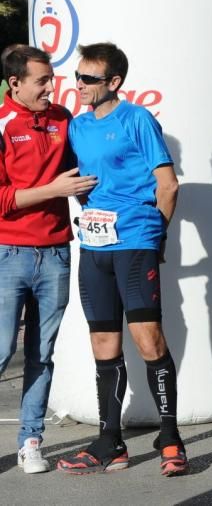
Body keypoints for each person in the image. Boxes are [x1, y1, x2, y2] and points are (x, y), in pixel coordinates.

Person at [56, 43, 186, 476]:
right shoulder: (77, 127)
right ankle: (110, 442)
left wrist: (154, 237)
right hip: (94, 248)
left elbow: (168, 186)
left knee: (148, 340)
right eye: (77, 77)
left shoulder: (137, 120)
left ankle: (170, 437)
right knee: (103, 345)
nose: (79, 85)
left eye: (89, 79)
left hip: (134, 243)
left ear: (114, 83)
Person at [0, 46, 96, 474]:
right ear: (14, 83)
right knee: (2, 352)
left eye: (51, 78)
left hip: (57, 252)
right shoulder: (3, 124)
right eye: (41, 80)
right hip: (8, 254)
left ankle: (31, 442)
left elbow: (82, 175)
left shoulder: (62, 118)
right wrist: (54, 190)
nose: (51, 87)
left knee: (42, 353)